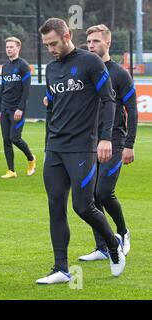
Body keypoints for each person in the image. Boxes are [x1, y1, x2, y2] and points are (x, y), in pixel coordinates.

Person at [37, 18, 125, 284]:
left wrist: (105, 139)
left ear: (66, 36)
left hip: (82, 147)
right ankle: (61, 269)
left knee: (83, 207)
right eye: (46, 45)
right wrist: (47, 143)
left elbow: (109, 99)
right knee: (55, 208)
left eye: (53, 43)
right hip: (55, 147)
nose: (50, 48)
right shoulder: (51, 69)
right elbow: (51, 106)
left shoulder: (90, 62)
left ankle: (113, 245)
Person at [78, 24, 137, 261]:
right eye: (89, 41)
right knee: (90, 196)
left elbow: (132, 111)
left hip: (114, 140)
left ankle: (123, 232)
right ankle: (102, 247)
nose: (91, 45)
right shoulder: (85, 70)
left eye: (96, 41)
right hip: (90, 140)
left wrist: (130, 144)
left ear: (108, 43)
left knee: (103, 192)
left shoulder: (120, 74)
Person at [0, 37, 36, 179]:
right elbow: (2, 89)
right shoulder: (5, 67)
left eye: (11, 47)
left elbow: (26, 90)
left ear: (18, 48)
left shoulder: (23, 66)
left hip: (17, 109)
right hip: (5, 107)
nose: (9, 49)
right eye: (7, 47)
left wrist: (20, 108)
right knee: (6, 139)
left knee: (15, 138)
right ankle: (11, 170)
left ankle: (31, 158)